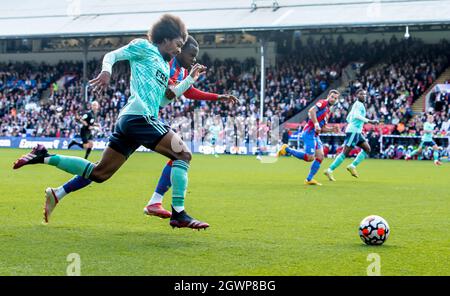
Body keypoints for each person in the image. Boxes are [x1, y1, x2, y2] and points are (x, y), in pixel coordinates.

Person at [13, 14, 209, 229]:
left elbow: (163, 100)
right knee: (183, 154)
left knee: (99, 173)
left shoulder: (163, 66)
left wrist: (190, 79)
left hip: (134, 121)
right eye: (178, 44)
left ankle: (44, 157)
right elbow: (112, 55)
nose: (179, 50)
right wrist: (106, 71)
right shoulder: (144, 47)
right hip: (139, 117)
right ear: (165, 38)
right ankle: (179, 213)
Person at [277, 90, 340, 186]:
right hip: (309, 133)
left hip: (315, 135)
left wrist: (332, 129)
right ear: (328, 96)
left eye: (335, 98)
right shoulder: (323, 103)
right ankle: (287, 149)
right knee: (310, 158)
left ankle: (309, 179)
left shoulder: (328, 111)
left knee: (320, 156)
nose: (333, 99)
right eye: (332, 97)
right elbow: (311, 111)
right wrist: (316, 124)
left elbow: (322, 128)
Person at [324, 89, 379, 181]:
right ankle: (329, 170)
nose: (364, 96)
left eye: (365, 94)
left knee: (367, 148)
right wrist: (370, 121)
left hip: (356, 131)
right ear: (357, 95)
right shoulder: (358, 104)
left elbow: (349, 117)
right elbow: (356, 116)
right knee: (345, 152)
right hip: (353, 132)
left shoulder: (357, 105)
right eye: (361, 94)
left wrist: (358, 127)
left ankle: (352, 166)